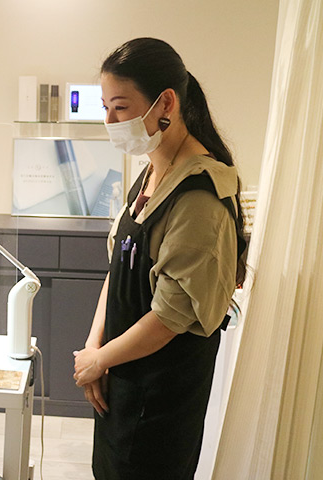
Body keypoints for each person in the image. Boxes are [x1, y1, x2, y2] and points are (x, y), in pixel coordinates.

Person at [72, 38, 247, 479]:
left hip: (160, 396)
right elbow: (118, 273)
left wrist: (102, 359)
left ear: (165, 102)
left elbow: (171, 314)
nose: (109, 120)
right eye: (105, 107)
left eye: (120, 107)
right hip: (122, 377)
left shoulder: (199, 195)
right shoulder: (151, 173)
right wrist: (96, 349)